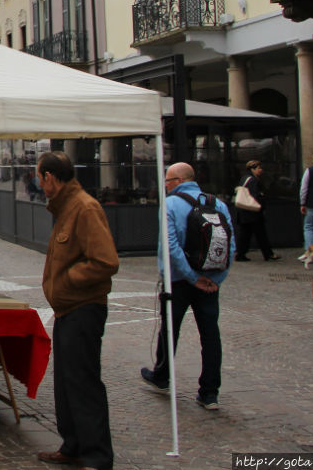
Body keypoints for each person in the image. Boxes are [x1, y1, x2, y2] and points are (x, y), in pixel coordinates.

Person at [37, 150, 119, 470]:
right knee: (66, 382)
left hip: (84, 308)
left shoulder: (85, 207)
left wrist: (68, 282)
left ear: (50, 178)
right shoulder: (66, 208)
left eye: (40, 178)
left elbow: (105, 261)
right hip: (67, 309)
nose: (39, 185)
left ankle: (98, 455)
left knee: (83, 382)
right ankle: (73, 444)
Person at [140, 162, 234, 411]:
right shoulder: (218, 204)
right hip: (210, 282)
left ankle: (162, 376)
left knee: (169, 329)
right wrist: (215, 279)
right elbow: (230, 246)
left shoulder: (170, 204)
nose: (166, 185)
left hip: (179, 280)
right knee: (210, 335)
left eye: (168, 180)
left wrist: (192, 277)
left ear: (179, 180)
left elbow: (170, 248)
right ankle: (210, 392)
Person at [234, 160, 280, 262]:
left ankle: (241, 254)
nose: (261, 170)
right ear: (253, 169)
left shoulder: (244, 178)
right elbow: (255, 196)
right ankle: (268, 254)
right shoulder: (253, 180)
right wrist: (262, 202)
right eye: (259, 168)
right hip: (252, 212)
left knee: (245, 234)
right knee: (260, 234)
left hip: (244, 211)